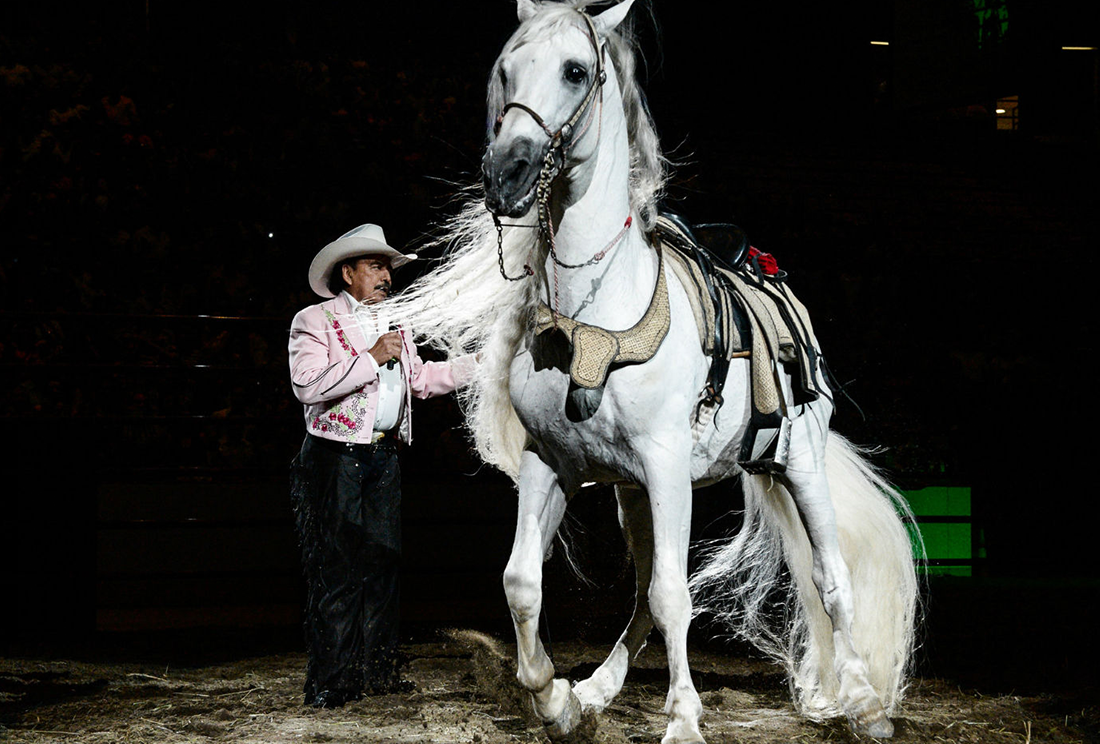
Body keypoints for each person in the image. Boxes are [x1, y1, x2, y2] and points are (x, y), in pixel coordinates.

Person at [288, 223, 473, 708]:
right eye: (375, 266)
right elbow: (309, 385)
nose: (386, 275)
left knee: (383, 563)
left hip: (383, 456)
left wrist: (478, 366)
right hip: (335, 455)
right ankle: (332, 680)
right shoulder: (315, 320)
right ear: (348, 273)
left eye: (387, 267)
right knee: (339, 566)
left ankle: (378, 671)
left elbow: (418, 380)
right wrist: (371, 357)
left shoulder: (396, 324)